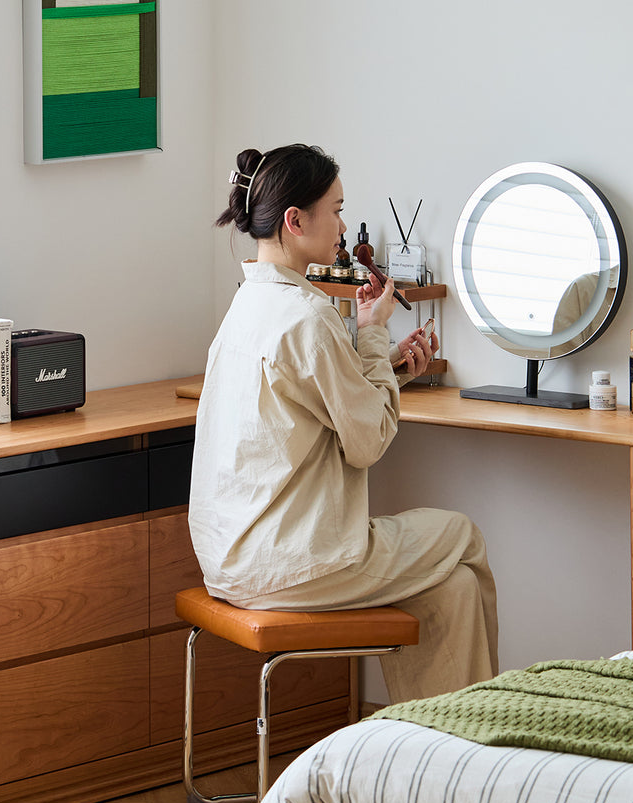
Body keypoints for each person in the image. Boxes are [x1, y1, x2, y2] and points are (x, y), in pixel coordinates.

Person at [189, 144, 498, 703]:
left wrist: (390, 365)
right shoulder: (308, 316)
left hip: (228, 560)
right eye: (334, 209)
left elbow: (319, 398)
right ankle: (472, 750)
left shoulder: (247, 309)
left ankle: (426, 758)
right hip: (293, 564)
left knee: (449, 588)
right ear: (295, 220)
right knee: (462, 535)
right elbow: (369, 441)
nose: (340, 225)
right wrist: (375, 334)